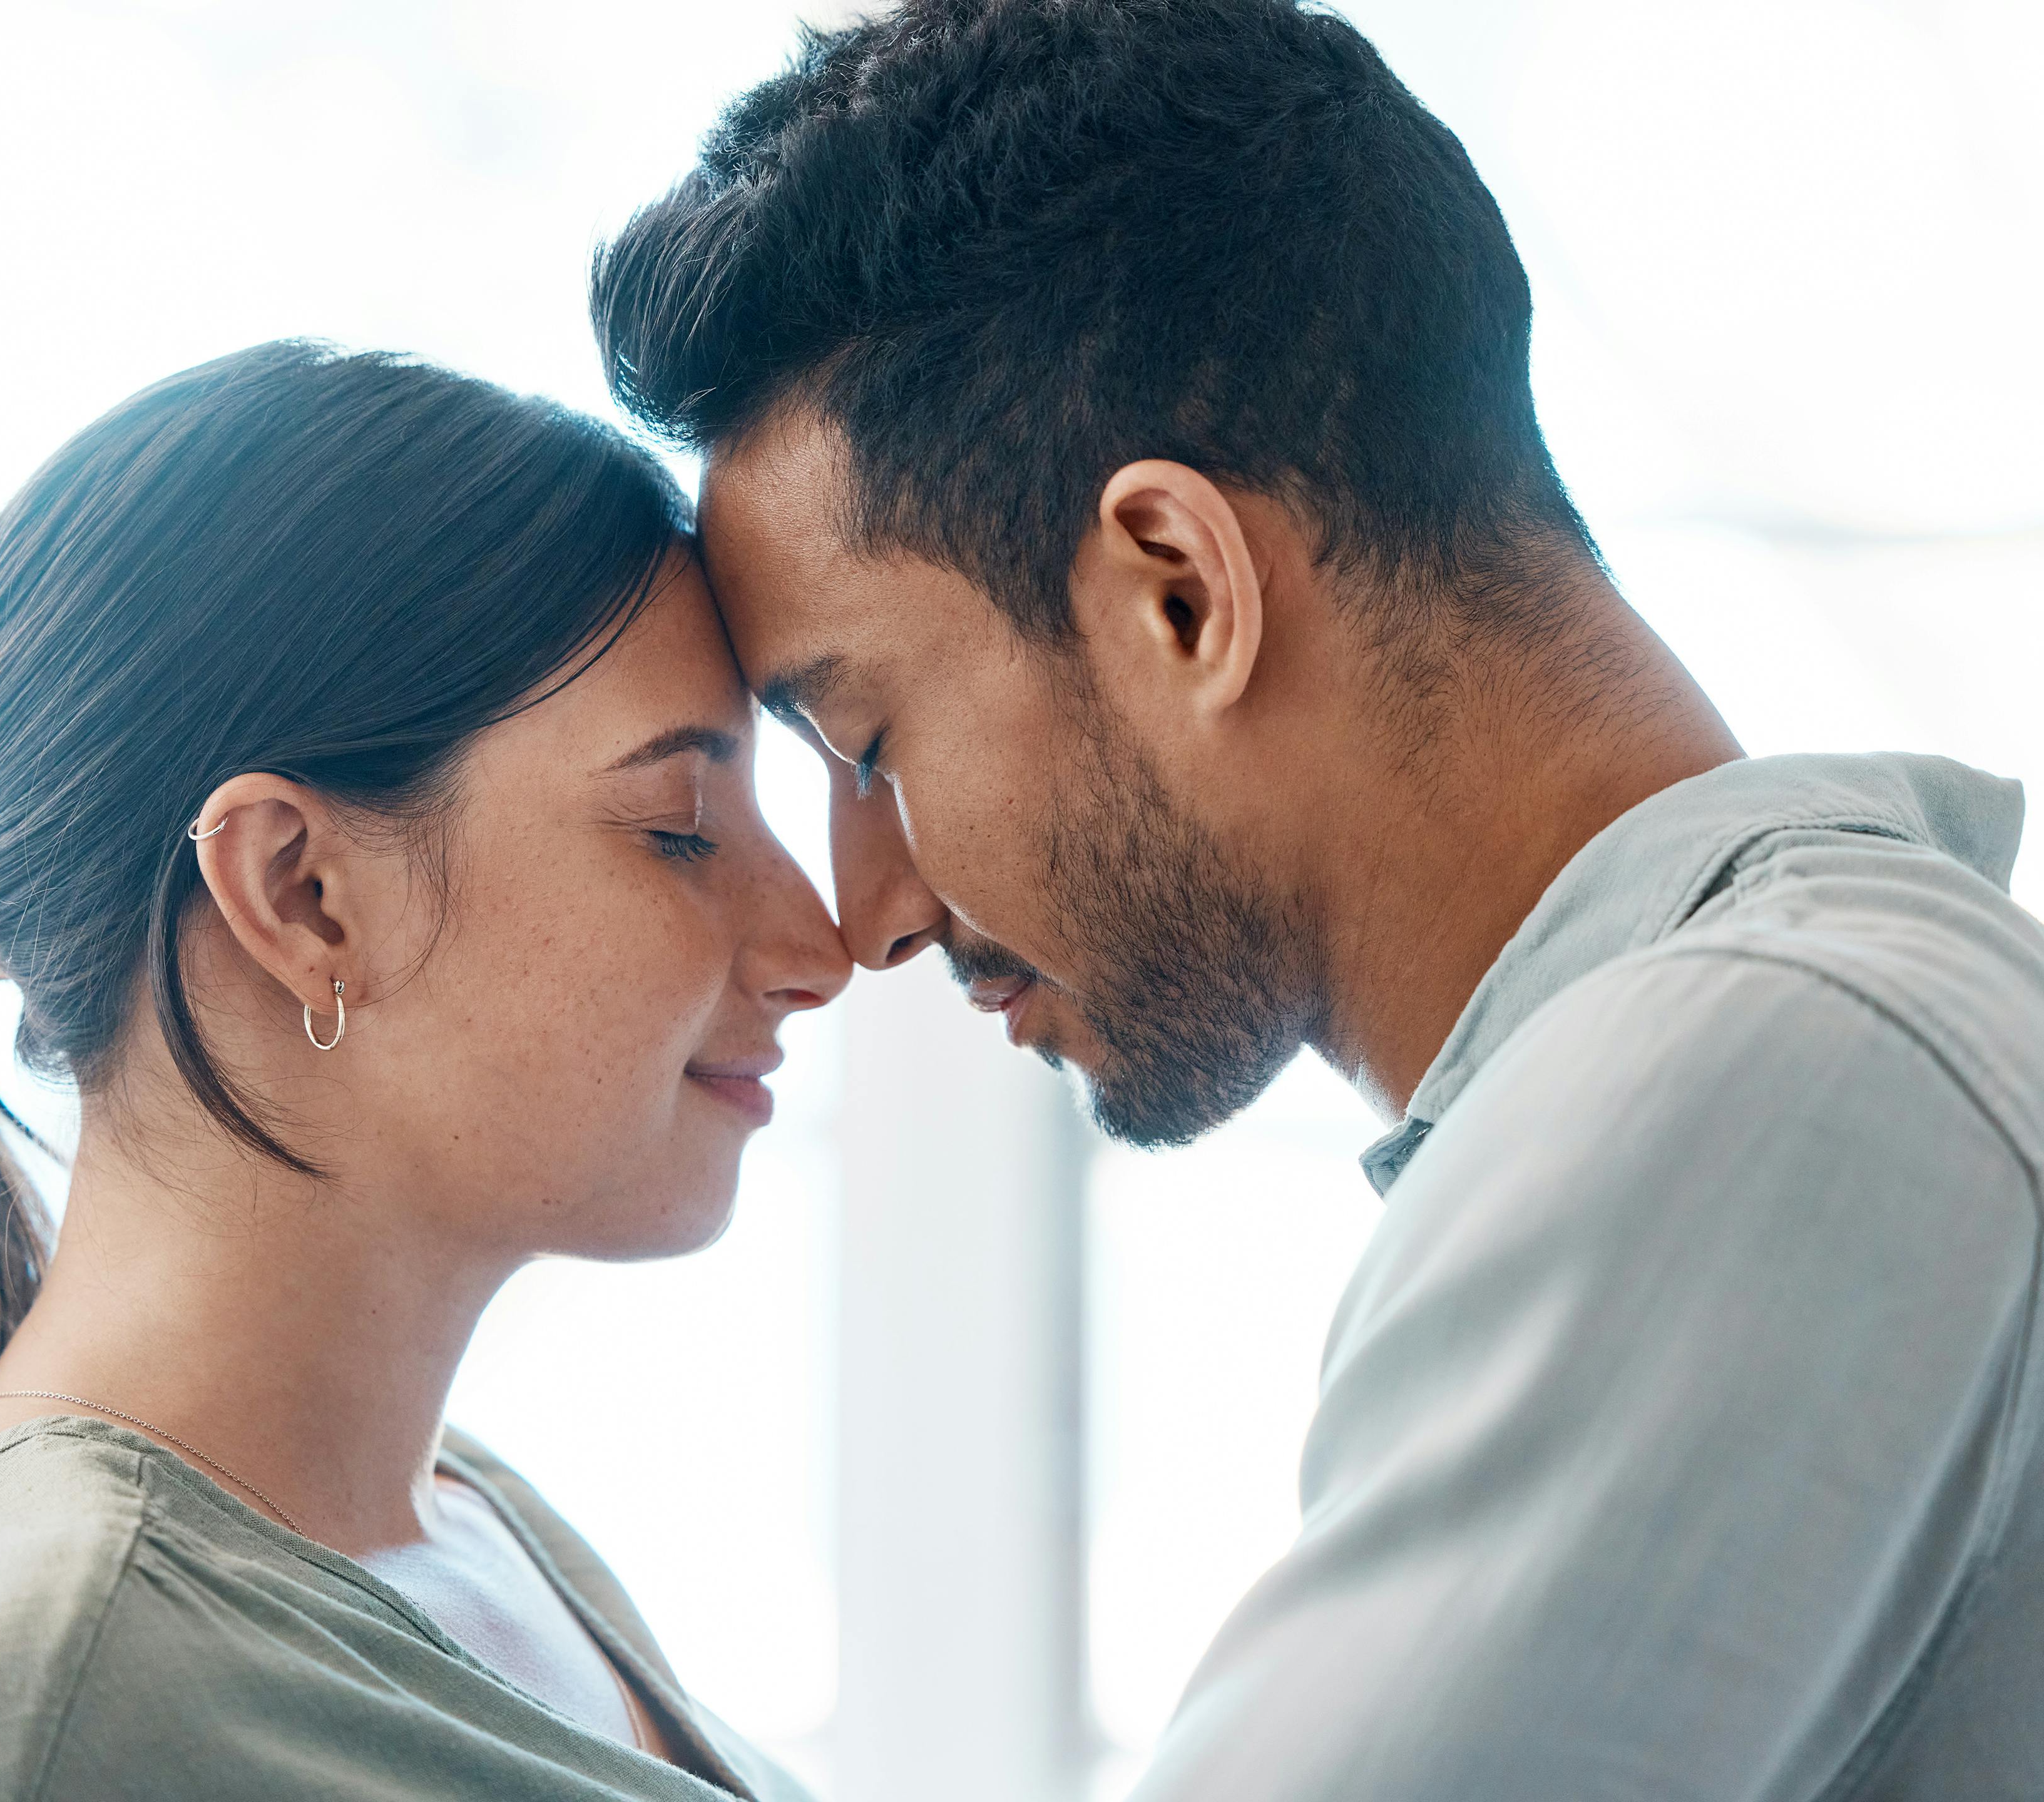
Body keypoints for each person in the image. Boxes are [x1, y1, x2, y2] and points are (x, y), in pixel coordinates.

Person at [591, 2, 2044, 1796]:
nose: (871, 912)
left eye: (867, 740)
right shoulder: (1787, 1039)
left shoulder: (1776, 1057)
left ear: (1179, 591)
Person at [0, 340, 849, 1801]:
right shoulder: (22, 1720)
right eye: (682, 825)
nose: (820, 941)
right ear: (299, 893)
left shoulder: (466, 1523)